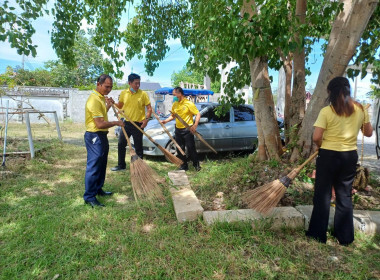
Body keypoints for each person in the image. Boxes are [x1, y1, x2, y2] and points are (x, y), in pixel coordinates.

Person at [306, 76, 373, 245]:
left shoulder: (327, 111)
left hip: (328, 155)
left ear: (331, 92)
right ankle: (344, 237)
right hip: (349, 157)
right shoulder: (360, 109)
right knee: (344, 195)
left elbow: (316, 137)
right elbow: (369, 133)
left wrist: (320, 146)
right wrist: (364, 117)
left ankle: (317, 235)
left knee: (323, 195)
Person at [84, 74, 123, 207]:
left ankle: (98, 189)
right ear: (98, 84)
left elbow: (101, 115)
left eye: (111, 87)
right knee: (94, 166)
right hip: (95, 135)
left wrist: (108, 105)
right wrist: (116, 122)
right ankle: (89, 197)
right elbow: (100, 124)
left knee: (101, 164)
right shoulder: (94, 100)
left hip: (101, 135)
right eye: (106, 86)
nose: (109, 89)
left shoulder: (100, 98)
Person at [111, 73, 152, 171]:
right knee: (121, 144)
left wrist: (146, 120)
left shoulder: (143, 94)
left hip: (138, 124)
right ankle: (121, 165)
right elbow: (120, 106)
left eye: (139, 83)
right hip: (126, 123)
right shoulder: (124, 93)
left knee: (138, 147)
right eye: (135, 83)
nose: (138, 85)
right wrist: (113, 103)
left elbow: (149, 108)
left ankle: (139, 168)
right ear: (129, 83)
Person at [162, 87, 201, 171]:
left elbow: (198, 114)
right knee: (179, 148)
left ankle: (196, 165)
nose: (174, 96)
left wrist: (195, 125)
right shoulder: (175, 104)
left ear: (180, 93)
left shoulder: (188, 103)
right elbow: (173, 115)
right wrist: (165, 121)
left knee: (191, 148)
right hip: (178, 130)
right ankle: (183, 165)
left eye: (174, 94)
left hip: (188, 129)